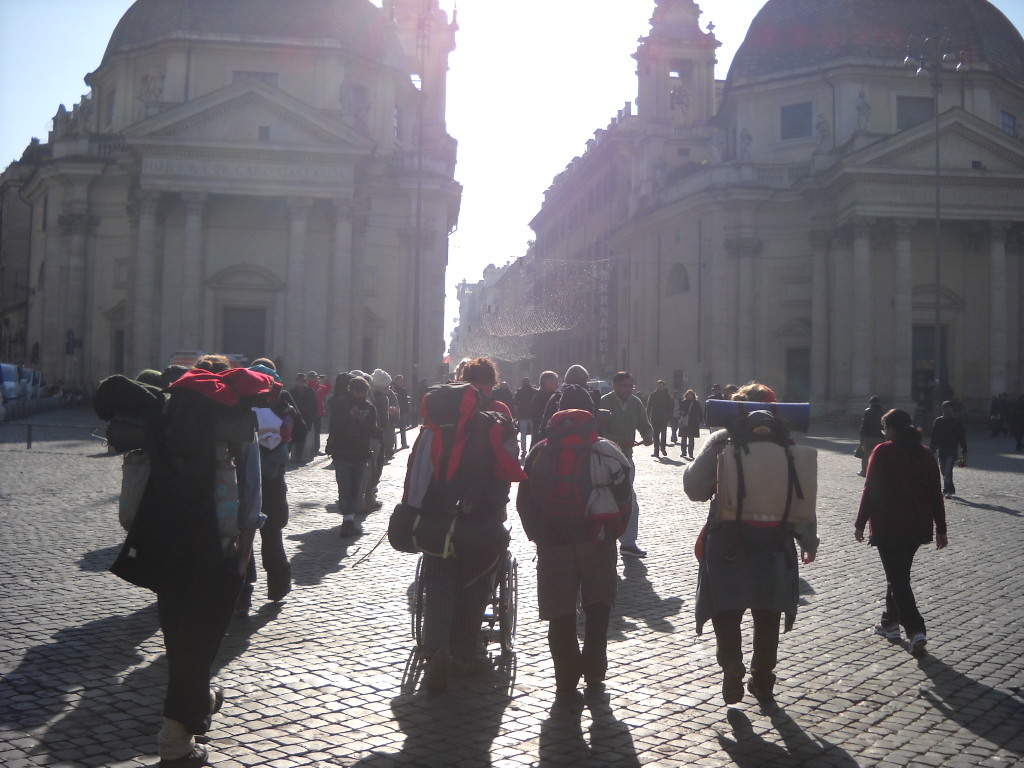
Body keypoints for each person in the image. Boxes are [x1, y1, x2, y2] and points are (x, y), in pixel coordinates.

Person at [100, 361, 275, 767]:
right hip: (219, 550)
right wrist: (243, 557)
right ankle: (175, 741)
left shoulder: (165, 420)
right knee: (200, 647)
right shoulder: (237, 427)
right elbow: (250, 503)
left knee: (180, 640)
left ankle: (196, 710)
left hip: (167, 545)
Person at [683, 382, 818, 706]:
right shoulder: (787, 444)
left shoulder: (722, 440)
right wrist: (808, 540)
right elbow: (801, 496)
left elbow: (694, 488)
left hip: (728, 541)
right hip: (775, 542)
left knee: (725, 609)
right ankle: (763, 680)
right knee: (767, 614)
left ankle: (731, 663)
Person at [517, 387, 632, 716]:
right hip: (595, 538)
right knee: (598, 603)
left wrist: (537, 534)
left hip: (553, 541)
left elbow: (524, 501)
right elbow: (626, 497)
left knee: (559, 611)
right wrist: (615, 530)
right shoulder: (606, 450)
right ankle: (595, 670)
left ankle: (566, 679)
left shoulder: (539, 451)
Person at [420, 357, 526, 693]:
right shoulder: (499, 416)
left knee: (438, 578)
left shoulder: (440, 416)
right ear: (491, 383)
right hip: (482, 517)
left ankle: (437, 648)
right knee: (477, 582)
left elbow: (421, 469)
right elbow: (512, 466)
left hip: (439, 516)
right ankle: (465, 654)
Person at [855, 408, 948, 656]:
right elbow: (935, 493)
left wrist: (860, 522)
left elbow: (869, 489)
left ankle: (915, 630)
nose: (884, 433)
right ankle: (889, 623)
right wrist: (941, 527)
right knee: (898, 575)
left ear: (891, 429)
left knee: (898, 579)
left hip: (888, 526)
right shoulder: (925, 454)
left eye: (885, 428)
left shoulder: (883, 451)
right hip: (917, 527)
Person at [235, 358, 298, 616]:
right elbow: (285, 448)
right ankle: (277, 586)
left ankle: (243, 593)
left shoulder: (242, 410)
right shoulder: (281, 411)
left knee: (244, 537)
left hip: (246, 483)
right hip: (270, 483)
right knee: (271, 535)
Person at [599, 371, 654, 559]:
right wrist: (618, 440)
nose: (628, 389)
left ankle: (628, 543)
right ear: (614, 386)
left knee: (630, 501)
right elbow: (598, 432)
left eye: (631, 386)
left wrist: (648, 435)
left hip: (626, 460)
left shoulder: (636, 402)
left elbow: (644, 423)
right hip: (604, 459)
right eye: (625, 386)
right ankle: (603, 540)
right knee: (604, 499)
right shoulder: (604, 402)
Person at [325, 375, 380, 538]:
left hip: (361, 453)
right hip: (342, 453)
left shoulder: (369, 408)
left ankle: (350, 520)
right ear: (351, 390)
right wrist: (349, 417)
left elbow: (374, 431)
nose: (360, 394)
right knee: (345, 488)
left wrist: (365, 421)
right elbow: (334, 427)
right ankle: (347, 522)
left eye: (363, 391)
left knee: (357, 490)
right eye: (357, 391)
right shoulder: (341, 405)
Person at [538, 364, 602, 439]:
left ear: (566, 379)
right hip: (588, 443)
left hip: (559, 443)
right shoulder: (594, 396)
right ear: (585, 380)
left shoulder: (556, 398)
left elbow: (544, 427)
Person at [930, 400, 968, 498]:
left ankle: (947, 490)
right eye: (945, 407)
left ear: (952, 409)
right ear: (942, 409)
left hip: (952, 450)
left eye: (949, 407)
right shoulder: (938, 421)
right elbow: (934, 437)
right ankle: (951, 488)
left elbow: (961, 437)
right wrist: (932, 449)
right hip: (941, 450)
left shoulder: (957, 422)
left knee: (947, 470)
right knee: (943, 471)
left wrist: (964, 450)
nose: (947, 409)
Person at [288, 373, 318, 464]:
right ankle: (289, 455)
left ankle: (299, 457)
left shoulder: (310, 392)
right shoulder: (291, 392)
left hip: (307, 418)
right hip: (294, 418)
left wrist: (312, 417)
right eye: (299, 381)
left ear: (305, 382)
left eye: (303, 381)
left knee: (302, 438)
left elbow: (314, 406)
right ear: (296, 382)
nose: (301, 383)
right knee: (292, 438)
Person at [530, 371, 559, 447]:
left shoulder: (538, 396)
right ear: (547, 383)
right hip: (544, 439)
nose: (557, 385)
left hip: (540, 439)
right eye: (555, 382)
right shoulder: (545, 398)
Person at [858, 395, 884, 477]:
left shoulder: (868, 411)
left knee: (865, 456)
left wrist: (861, 437)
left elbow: (864, 425)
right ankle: (877, 472)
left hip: (868, 437)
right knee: (877, 456)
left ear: (870, 403)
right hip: (879, 437)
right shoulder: (882, 412)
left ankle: (864, 471)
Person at [646, 380, 673, 458]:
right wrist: (647, 416)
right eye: (659, 385)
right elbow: (649, 406)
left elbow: (670, 406)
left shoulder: (666, 395)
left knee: (664, 434)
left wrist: (669, 416)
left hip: (663, 418)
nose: (660, 387)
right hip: (655, 418)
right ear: (657, 386)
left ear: (663, 386)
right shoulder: (653, 395)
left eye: (661, 385)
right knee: (655, 435)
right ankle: (656, 451)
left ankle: (663, 448)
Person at [514, 377, 537, 459]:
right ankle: (533, 449)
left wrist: (516, 415)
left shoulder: (519, 391)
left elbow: (516, 403)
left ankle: (524, 451)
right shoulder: (534, 391)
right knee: (534, 433)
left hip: (522, 414)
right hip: (532, 414)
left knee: (523, 434)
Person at [679, 389, 703, 459]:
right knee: (683, 438)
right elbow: (680, 410)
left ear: (693, 396)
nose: (689, 396)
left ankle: (691, 453)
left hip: (693, 423)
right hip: (685, 422)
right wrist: (681, 412)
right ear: (686, 396)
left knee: (691, 439)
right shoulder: (683, 402)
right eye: (688, 395)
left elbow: (700, 412)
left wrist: (701, 420)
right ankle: (683, 452)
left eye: (691, 395)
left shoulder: (696, 403)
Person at [391, 373, 411, 449]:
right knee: (392, 428)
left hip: (402, 411)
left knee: (403, 428)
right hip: (395, 411)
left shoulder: (403, 390)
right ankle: (392, 444)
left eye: (402, 381)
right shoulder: (392, 389)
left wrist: (407, 411)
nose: (401, 382)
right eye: (400, 380)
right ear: (396, 381)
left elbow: (405, 401)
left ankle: (404, 443)